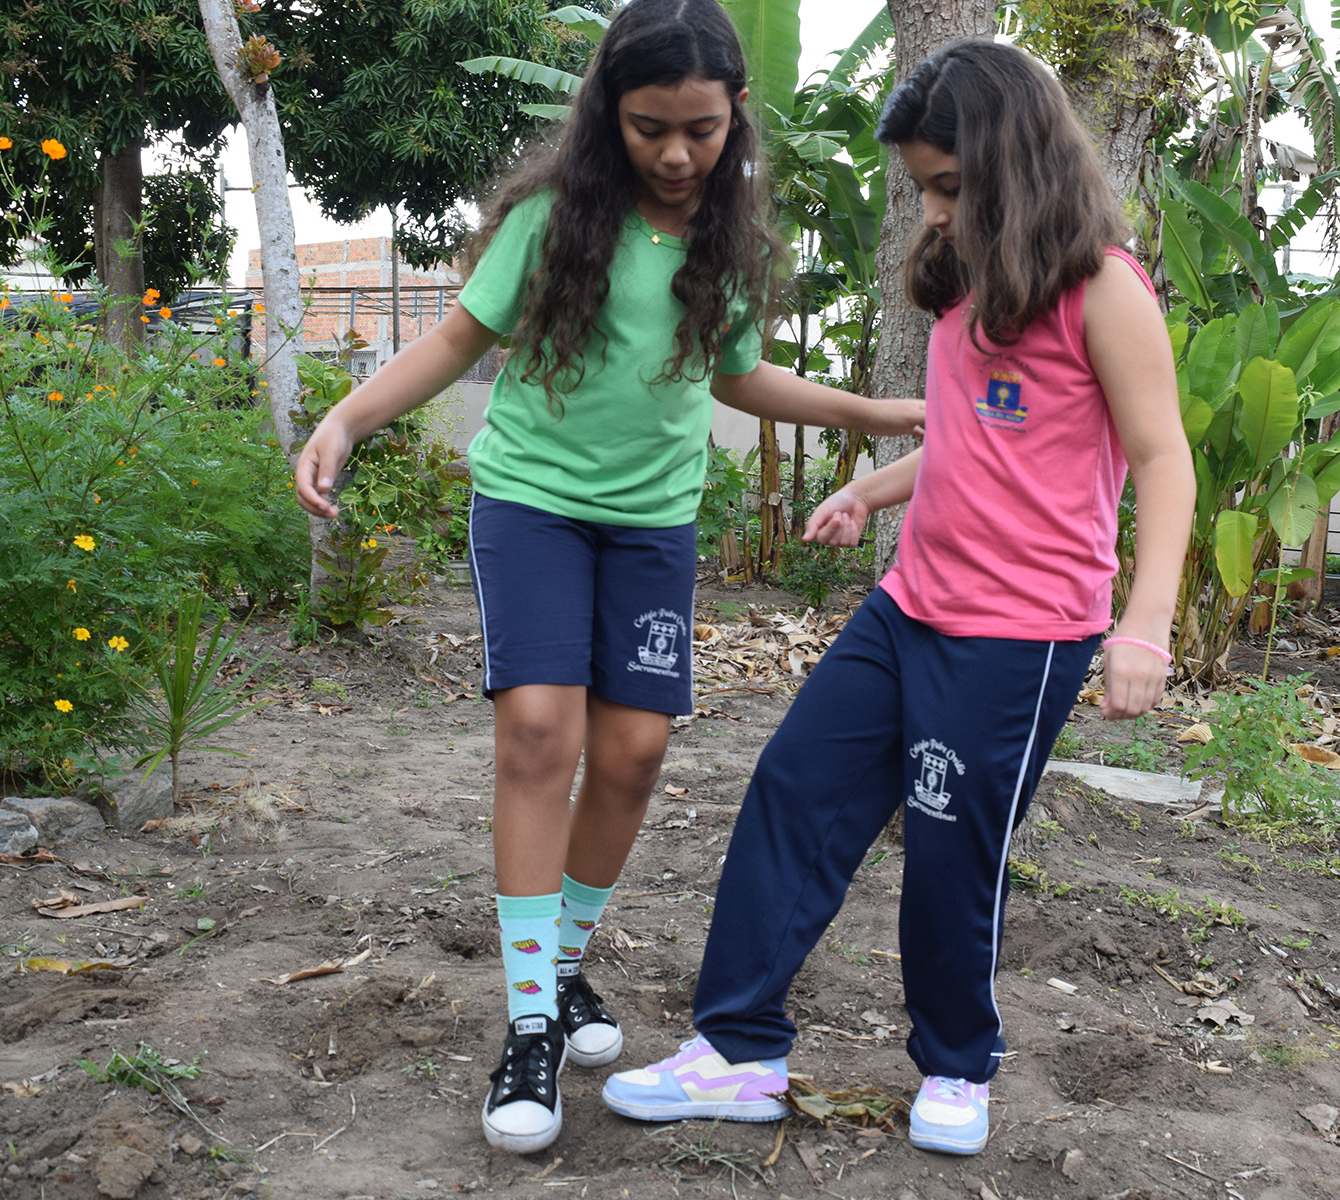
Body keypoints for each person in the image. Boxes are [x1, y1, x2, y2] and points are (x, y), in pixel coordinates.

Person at [293, 0, 923, 1157]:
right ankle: (531, 1025)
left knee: (631, 753)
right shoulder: (552, 219)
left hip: (651, 527)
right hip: (531, 507)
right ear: (607, 116)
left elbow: (736, 376)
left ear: (736, 114)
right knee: (540, 732)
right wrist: (345, 419)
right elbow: (455, 341)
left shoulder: (727, 239)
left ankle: (563, 966)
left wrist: (870, 412)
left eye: (700, 129)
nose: (677, 154)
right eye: (648, 129)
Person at [601, 37, 1195, 1157]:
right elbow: (972, 441)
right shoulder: (969, 281)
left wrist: (1146, 628)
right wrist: (869, 491)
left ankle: (958, 1064)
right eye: (925, 188)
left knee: (951, 846)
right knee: (795, 788)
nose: (934, 212)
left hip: (1021, 635)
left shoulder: (1101, 288)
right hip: (911, 603)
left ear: (1015, 166)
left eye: (950, 187)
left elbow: (1164, 460)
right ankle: (737, 1049)